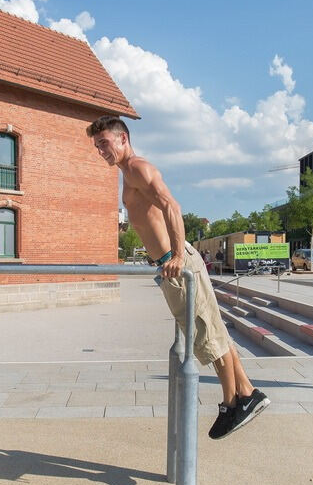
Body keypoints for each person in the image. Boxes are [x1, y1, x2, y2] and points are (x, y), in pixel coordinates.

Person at [87, 116, 269, 439]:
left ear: (123, 138)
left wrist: (178, 256)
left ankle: (232, 404)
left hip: (178, 264)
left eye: (104, 143)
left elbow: (172, 206)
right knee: (212, 332)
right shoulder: (127, 174)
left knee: (207, 337)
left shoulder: (139, 169)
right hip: (170, 264)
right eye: (97, 145)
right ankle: (248, 392)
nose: (101, 150)